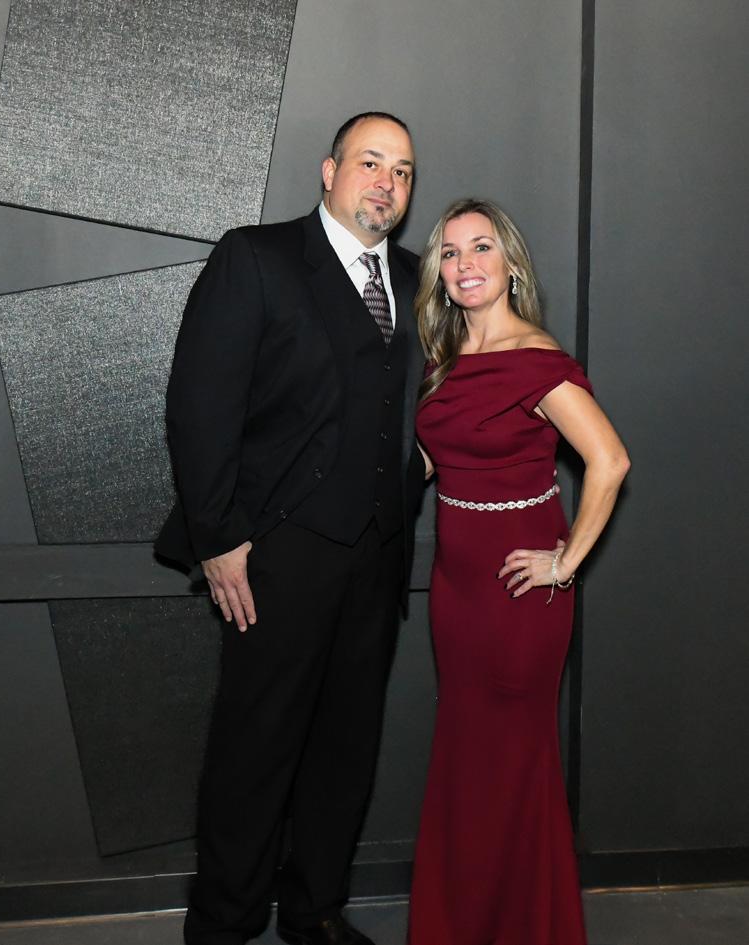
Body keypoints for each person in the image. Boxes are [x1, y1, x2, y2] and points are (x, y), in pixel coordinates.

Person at [155, 113, 426, 945]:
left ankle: (315, 910)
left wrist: (424, 462)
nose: (386, 182)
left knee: (345, 747)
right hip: (275, 554)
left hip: (377, 556)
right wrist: (217, 537)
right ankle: (224, 924)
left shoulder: (419, 278)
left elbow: (430, 397)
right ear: (329, 171)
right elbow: (199, 405)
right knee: (255, 748)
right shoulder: (257, 257)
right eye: (370, 162)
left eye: (402, 171)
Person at [408, 198, 630, 945]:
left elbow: (609, 461)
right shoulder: (444, 361)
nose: (464, 263)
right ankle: (464, 923)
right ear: (439, 273)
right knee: (466, 760)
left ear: (510, 265)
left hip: (517, 597)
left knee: (509, 763)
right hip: (456, 593)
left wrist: (564, 562)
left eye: (481, 247)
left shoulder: (536, 359)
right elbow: (434, 460)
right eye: (449, 252)